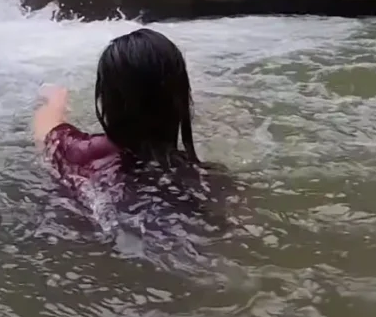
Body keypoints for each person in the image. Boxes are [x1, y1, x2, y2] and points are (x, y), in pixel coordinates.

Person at [33, 28, 235, 217]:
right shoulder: (210, 179)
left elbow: (44, 127)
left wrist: (56, 98)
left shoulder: (84, 154)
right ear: (180, 99)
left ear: (107, 98)